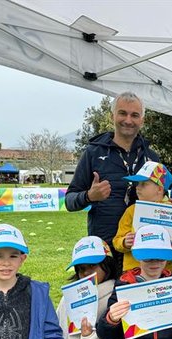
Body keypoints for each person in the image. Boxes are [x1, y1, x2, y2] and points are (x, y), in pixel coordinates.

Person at [65, 92, 160, 269]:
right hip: (105, 248)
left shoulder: (151, 157)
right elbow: (69, 201)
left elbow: (161, 199)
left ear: (142, 120)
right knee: (108, 296)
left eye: (135, 115)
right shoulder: (94, 153)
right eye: (123, 113)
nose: (128, 120)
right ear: (112, 116)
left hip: (139, 249)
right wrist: (88, 196)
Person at [113, 160, 172, 273]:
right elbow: (117, 241)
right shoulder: (131, 211)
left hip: (164, 272)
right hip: (133, 272)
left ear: (160, 189)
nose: (137, 187)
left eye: (143, 184)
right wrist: (125, 242)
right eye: (137, 184)